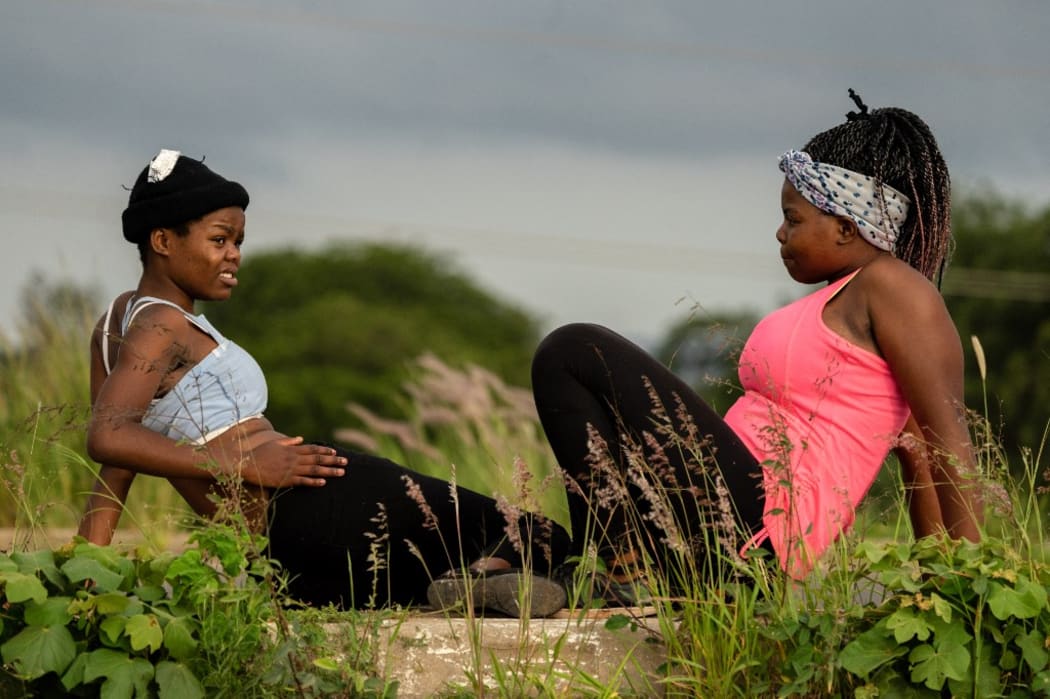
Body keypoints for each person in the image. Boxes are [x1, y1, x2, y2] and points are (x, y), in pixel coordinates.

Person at [79, 149, 569, 616]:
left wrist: (81, 576)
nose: (234, 257)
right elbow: (110, 438)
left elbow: (117, 464)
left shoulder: (113, 326)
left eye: (238, 242)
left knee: (473, 557)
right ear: (163, 241)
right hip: (319, 509)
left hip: (285, 559)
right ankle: (480, 577)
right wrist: (241, 463)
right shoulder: (161, 324)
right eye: (219, 239)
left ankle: (473, 581)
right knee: (539, 536)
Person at [530, 91, 982, 585]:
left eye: (793, 219)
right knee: (571, 365)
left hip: (762, 529)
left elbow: (943, 447)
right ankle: (620, 564)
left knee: (574, 350)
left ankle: (622, 568)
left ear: (846, 228)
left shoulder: (894, 288)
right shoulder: (839, 298)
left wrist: (963, 590)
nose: (780, 234)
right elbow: (918, 451)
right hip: (725, 518)